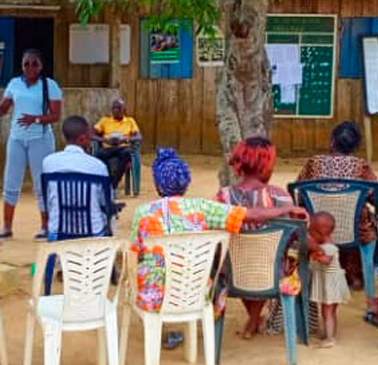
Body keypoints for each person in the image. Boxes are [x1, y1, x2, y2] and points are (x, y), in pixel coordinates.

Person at [131, 148, 303, 314]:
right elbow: (251, 215)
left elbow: (134, 252)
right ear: (186, 181)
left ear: (156, 182)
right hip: (195, 293)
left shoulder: (142, 212)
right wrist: (284, 210)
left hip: (153, 296)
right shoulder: (203, 208)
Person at [296, 121, 378, 325]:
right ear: (355, 147)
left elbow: (299, 196)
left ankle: (305, 295)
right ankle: (370, 298)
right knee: (375, 228)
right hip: (355, 233)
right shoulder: (361, 166)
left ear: (331, 142)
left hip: (318, 233)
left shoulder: (313, 163)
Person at [214, 136, 301, 339]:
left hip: (232, 274)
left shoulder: (223, 197)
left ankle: (252, 319)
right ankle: (254, 319)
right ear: (267, 164)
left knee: (239, 260)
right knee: (280, 257)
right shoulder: (280, 197)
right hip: (272, 274)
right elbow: (293, 237)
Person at [0, 49, 63, 240]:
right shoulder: (14, 84)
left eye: (34, 63)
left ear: (41, 66)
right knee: (11, 182)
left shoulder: (49, 86)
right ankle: (6, 227)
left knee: (41, 183)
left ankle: (45, 226)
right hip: (17, 139)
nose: (30, 67)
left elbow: (55, 115)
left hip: (40, 140)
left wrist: (34, 119)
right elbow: (4, 108)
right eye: (26, 63)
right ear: (21, 65)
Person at [42, 115, 112, 239]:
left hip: (57, 233)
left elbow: (48, 201)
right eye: (89, 138)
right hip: (93, 234)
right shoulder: (98, 167)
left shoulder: (48, 163)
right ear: (82, 139)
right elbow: (106, 203)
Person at [307, 212, 348, 349]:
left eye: (312, 233)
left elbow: (327, 260)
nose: (311, 236)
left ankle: (330, 338)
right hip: (330, 284)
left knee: (327, 312)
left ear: (320, 233)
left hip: (331, 285)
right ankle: (328, 334)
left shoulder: (328, 247)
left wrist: (316, 256)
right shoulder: (325, 245)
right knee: (329, 311)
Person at [93, 98, 142, 190]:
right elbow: (91, 134)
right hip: (108, 147)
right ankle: (109, 179)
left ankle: (114, 182)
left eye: (119, 108)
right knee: (100, 154)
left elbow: (139, 137)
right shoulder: (105, 120)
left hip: (123, 147)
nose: (116, 110)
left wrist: (125, 139)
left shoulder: (130, 121)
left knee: (127, 153)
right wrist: (105, 140)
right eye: (114, 108)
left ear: (124, 110)